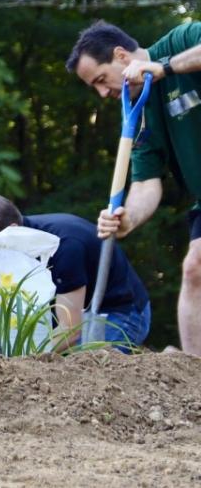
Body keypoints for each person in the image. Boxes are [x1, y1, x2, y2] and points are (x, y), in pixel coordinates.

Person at [67, 20, 201, 356]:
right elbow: (145, 182)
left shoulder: (181, 42)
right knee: (195, 270)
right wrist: (128, 218)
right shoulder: (139, 118)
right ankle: (193, 377)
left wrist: (164, 68)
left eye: (101, 79)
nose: (102, 93)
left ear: (121, 56)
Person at [0, 195, 151, 350]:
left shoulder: (64, 247)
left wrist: (22, 358)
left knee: (89, 372)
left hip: (121, 311)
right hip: (82, 309)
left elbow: (71, 329)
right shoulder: (24, 238)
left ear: (13, 229)